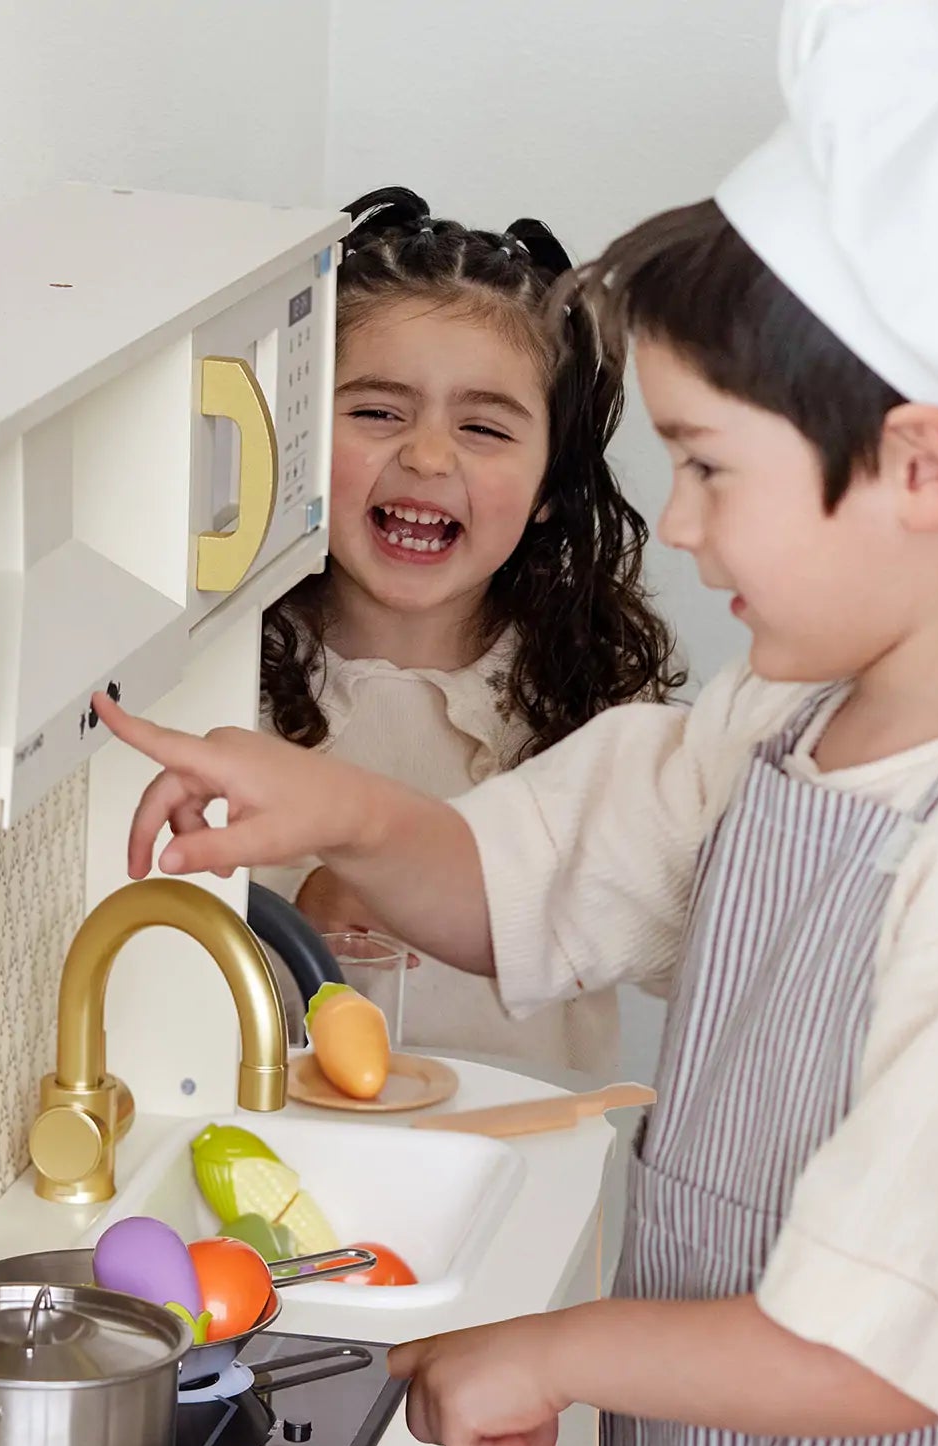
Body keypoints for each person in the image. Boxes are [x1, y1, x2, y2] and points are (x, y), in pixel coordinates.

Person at [92, 0, 938, 1446]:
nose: (677, 526)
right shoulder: (797, 719)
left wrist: (551, 1351)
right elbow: (526, 876)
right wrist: (329, 806)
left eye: (712, 467)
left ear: (924, 471)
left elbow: (877, 1360)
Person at [255, 186, 681, 1081]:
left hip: (526, 1176)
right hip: (285, 1170)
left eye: (483, 427)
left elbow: (682, 942)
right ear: (297, 438)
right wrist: (298, 903)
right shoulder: (227, 681)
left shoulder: (593, 695)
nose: (429, 456)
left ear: (551, 490)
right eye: (377, 412)